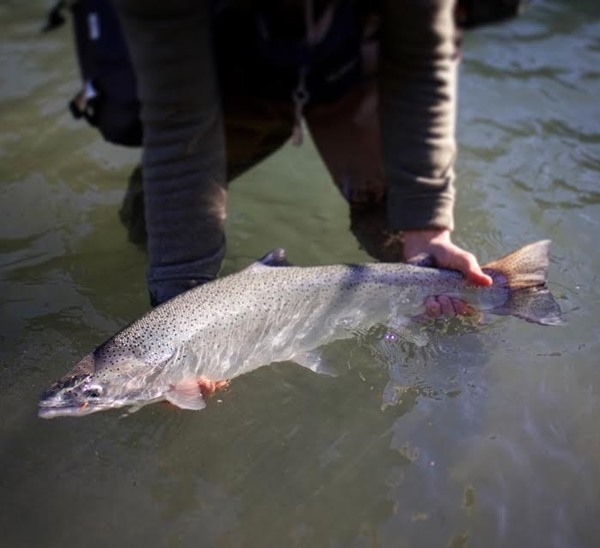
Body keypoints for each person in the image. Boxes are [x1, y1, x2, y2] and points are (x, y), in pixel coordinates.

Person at [111, 0, 493, 314]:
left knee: (400, 225)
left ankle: (448, 305)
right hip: (226, 81)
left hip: (354, 64)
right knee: (145, 219)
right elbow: (180, 124)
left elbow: (421, 61)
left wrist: (426, 226)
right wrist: (180, 303)